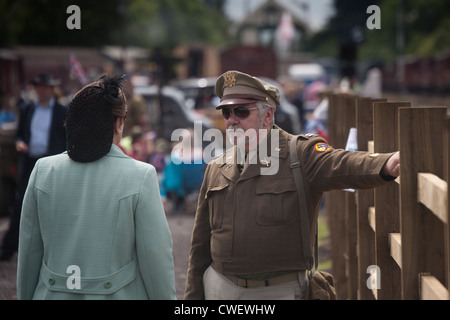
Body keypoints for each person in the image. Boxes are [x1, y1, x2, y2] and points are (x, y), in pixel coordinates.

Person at [184, 70, 400, 300]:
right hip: (219, 289)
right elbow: (199, 248)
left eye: (241, 111)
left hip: (276, 291)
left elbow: (342, 163)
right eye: (226, 112)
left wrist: (386, 163)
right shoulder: (217, 167)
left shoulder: (299, 155)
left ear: (267, 116)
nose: (231, 120)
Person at [16, 75, 176, 300]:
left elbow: (29, 254)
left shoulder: (43, 170)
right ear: (120, 123)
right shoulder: (141, 176)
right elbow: (156, 259)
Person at [0, 74, 67, 261]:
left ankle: (54, 251)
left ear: (51, 89)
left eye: (46, 87)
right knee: (21, 203)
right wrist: (19, 142)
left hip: (53, 163)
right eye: (39, 87)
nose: (42, 91)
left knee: (53, 206)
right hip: (30, 162)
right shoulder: (27, 109)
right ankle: (8, 249)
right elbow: (19, 134)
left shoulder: (62, 111)